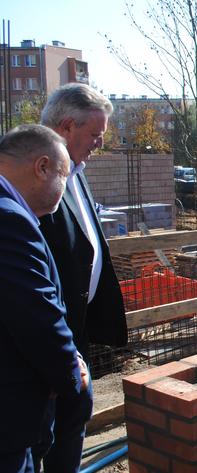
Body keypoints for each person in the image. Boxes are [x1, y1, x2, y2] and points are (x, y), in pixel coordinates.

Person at [36, 83, 128, 472]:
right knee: (41, 431)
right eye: (94, 135)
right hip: (46, 331)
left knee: (74, 420)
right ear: (68, 126)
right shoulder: (35, 177)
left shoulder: (76, 170)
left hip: (78, 327)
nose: (98, 144)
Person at [0, 125, 86, 473]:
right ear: (43, 167)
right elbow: (37, 317)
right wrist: (70, 373)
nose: (65, 187)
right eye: (65, 176)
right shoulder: (10, 221)